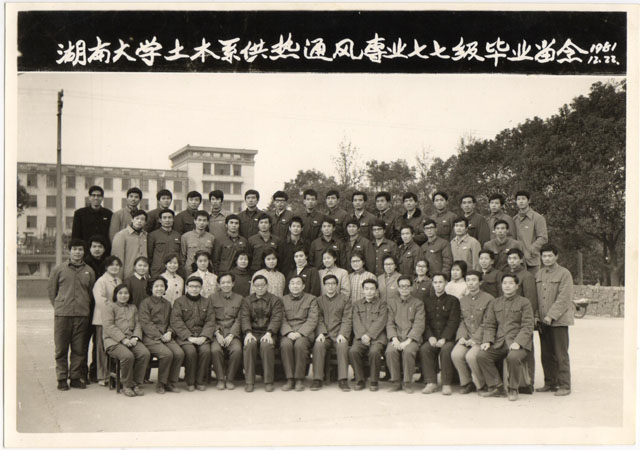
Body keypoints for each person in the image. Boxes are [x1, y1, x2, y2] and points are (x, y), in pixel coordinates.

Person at [477, 274, 534, 402]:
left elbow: (527, 326)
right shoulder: (495, 303)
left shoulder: (524, 302)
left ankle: (513, 388)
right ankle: (497, 387)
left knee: (513, 357)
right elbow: (490, 324)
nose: (507, 286)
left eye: (511, 283)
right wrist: (487, 341)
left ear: (517, 286)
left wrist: (518, 342)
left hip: (519, 343)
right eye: (504, 283)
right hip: (499, 342)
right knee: (482, 355)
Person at [48, 239, 96, 390]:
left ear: (84, 252)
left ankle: (75, 377)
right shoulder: (59, 269)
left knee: (79, 349)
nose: (77, 252)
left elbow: (91, 292)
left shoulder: (89, 271)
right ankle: (62, 378)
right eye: (74, 249)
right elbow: (52, 291)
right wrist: (60, 306)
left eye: (80, 249)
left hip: (82, 315)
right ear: (69, 251)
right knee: (61, 348)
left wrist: (84, 305)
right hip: (63, 315)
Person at [536, 243, 574, 396]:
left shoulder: (564, 274)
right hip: (543, 321)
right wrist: (538, 316)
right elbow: (537, 297)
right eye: (544, 256)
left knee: (560, 354)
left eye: (550, 256)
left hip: (558, 320)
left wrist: (551, 315)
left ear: (556, 256)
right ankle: (550, 383)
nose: (547, 259)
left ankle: (564, 385)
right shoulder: (539, 274)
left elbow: (564, 298)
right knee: (546, 354)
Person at [170, 275, 217, 391]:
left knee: (206, 351)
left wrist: (204, 336)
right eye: (191, 286)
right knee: (190, 352)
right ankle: (190, 381)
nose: (194, 289)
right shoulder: (179, 302)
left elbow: (210, 321)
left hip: (202, 336)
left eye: (197, 286)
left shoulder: (207, 302)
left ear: (201, 288)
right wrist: (189, 337)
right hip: (185, 338)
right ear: (186, 287)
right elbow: (176, 321)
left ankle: (200, 381)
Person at [103, 284, 150, 397]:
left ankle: (136, 384)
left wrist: (135, 337)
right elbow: (109, 326)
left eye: (126, 293)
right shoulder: (110, 307)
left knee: (144, 353)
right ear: (115, 295)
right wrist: (123, 339)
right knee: (128, 356)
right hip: (113, 341)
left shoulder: (133, 308)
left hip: (131, 339)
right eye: (120, 293)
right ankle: (127, 385)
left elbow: (138, 324)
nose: (123, 296)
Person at [451, 270, 494, 395]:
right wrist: (461, 337)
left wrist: (475, 339)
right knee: (456, 354)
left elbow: (487, 322)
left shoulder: (489, 299)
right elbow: (462, 321)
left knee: (471, 356)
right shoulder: (463, 300)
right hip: (467, 336)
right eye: (468, 280)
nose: (471, 283)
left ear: (480, 282)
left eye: (474, 280)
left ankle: (481, 385)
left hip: (482, 338)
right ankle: (466, 383)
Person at [139, 276, 184, 394]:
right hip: (150, 337)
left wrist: (169, 332)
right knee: (166, 354)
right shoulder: (145, 303)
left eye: (162, 286)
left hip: (166, 336)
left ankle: (171, 382)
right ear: (151, 288)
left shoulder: (167, 304)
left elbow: (172, 321)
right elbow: (146, 323)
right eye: (156, 286)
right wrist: (160, 336)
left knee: (179, 353)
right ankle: (161, 384)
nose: (159, 288)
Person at [419, 272, 460, 395]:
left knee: (446, 350)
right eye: (435, 282)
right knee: (425, 349)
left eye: (440, 282)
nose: (438, 285)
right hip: (432, 337)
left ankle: (446, 383)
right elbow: (424, 321)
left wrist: (444, 338)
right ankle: (431, 382)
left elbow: (453, 321)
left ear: (446, 283)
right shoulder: (426, 301)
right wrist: (430, 336)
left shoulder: (453, 300)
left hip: (447, 338)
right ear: (432, 284)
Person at [241, 275, 284, 392]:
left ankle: (268, 381)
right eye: (257, 285)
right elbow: (244, 318)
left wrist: (269, 333)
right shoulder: (247, 300)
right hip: (252, 332)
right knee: (249, 345)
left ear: (267, 286)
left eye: (262, 285)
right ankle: (249, 381)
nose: (260, 288)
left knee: (266, 346)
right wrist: (248, 332)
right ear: (253, 287)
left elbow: (276, 318)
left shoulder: (275, 300)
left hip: (268, 332)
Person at [312, 274, 353, 391]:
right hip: (325, 335)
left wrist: (342, 334)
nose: (330, 286)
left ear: (337, 285)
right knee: (318, 345)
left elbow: (347, 319)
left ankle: (343, 379)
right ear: (324, 286)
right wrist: (321, 333)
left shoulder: (345, 300)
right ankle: (317, 379)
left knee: (342, 346)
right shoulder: (318, 301)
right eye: (328, 284)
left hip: (339, 334)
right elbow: (318, 319)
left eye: (333, 283)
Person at [506, 247, 539, 390]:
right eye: (509, 258)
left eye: (515, 258)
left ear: (521, 260)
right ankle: (512, 381)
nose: (512, 261)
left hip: (523, 318)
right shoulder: (507, 275)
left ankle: (528, 382)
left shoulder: (527, 276)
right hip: (509, 319)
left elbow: (531, 300)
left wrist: (530, 319)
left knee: (526, 349)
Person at [385, 276, 425, 393]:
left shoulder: (418, 304)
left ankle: (407, 382)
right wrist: (394, 339)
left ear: (411, 288)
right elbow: (390, 323)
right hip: (396, 337)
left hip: (411, 339)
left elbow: (419, 324)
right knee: (390, 351)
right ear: (398, 288)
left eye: (407, 286)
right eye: (402, 286)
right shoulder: (392, 303)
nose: (404, 289)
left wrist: (408, 341)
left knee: (408, 351)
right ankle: (396, 382)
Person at [280, 276, 319, 391]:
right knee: (285, 345)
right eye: (292, 283)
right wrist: (288, 332)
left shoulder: (311, 299)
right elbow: (281, 319)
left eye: (298, 283)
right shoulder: (282, 300)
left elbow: (312, 319)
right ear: (288, 286)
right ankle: (290, 378)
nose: (295, 286)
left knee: (300, 345)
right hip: (288, 332)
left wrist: (300, 333)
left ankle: (299, 379)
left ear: (303, 286)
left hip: (305, 333)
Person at [349, 278, 388, 391]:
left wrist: (369, 335)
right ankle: (360, 379)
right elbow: (356, 321)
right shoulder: (357, 304)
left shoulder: (382, 304)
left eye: (372, 289)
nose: (369, 291)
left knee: (374, 352)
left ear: (376, 290)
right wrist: (363, 336)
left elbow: (381, 321)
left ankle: (374, 380)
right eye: (366, 289)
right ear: (363, 290)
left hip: (377, 337)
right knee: (353, 351)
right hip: (360, 337)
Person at [91, 255, 122, 386]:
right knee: (102, 348)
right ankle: (102, 376)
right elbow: (100, 301)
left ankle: (111, 375)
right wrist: (115, 309)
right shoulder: (101, 281)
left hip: (115, 320)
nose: (115, 267)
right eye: (111, 265)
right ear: (106, 267)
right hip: (102, 319)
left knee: (112, 347)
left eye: (117, 265)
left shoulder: (118, 280)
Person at [210, 273, 244, 390]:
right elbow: (210, 318)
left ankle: (230, 378)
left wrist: (231, 335)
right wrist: (217, 333)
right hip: (217, 333)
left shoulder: (240, 299)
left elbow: (239, 319)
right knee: (215, 350)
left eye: (228, 282)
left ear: (233, 284)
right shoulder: (212, 298)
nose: (226, 285)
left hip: (232, 333)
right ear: (219, 285)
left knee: (237, 350)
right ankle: (220, 379)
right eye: (223, 283)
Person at [83, 234, 108, 382]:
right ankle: (81, 373)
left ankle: (95, 372)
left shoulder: (107, 264)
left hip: (99, 309)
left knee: (98, 342)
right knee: (83, 342)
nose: (97, 249)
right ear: (90, 248)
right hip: (87, 307)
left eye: (100, 246)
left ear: (104, 249)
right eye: (94, 246)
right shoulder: (85, 263)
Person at [513, 190, 548, 276]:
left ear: (529, 201)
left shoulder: (538, 218)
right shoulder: (514, 219)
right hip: (518, 262)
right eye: (518, 199)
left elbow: (543, 237)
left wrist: (531, 250)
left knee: (533, 282)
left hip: (532, 261)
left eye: (523, 199)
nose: (521, 201)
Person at [71, 185, 113, 253]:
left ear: (102, 198)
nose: (96, 198)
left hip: (104, 252)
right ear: (89, 197)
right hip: (86, 252)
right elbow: (75, 236)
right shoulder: (80, 214)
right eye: (93, 195)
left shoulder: (109, 214)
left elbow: (110, 235)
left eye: (98, 196)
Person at [111, 209, 148, 279]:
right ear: (132, 220)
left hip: (143, 274)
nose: (139, 221)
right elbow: (117, 258)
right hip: (128, 274)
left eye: (142, 219)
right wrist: (118, 278)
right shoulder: (121, 235)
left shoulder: (145, 235)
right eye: (137, 218)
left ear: (145, 222)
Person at [180, 210, 215, 278]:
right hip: (190, 271)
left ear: (207, 222)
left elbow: (213, 258)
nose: (201, 223)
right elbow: (182, 257)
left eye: (204, 220)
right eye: (199, 220)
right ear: (195, 221)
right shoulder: (185, 237)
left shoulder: (211, 238)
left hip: (206, 270)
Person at [147, 208, 181, 276]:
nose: (167, 220)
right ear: (160, 220)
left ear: (173, 219)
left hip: (174, 270)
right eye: (164, 218)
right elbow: (149, 256)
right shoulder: (153, 235)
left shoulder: (178, 235)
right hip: (158, 270)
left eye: (170, 217)